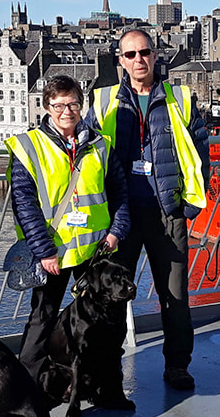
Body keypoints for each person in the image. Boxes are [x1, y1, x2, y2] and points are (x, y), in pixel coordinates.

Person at [85, 29, 210, 391]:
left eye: (144, 52)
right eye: (130, 54)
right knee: (109, 298)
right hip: (119, 218)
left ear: (155, 56)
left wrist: (187, 207)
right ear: (120, 60)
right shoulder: (103, 100)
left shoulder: (180, 98)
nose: (138, 60)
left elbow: (200, 149)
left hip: (165, 213)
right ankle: (107, 370)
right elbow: (84, 149)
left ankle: (177, 367)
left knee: (174, 296)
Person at [10, 74, 131, 399]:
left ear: (81, 105)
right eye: (59, 105)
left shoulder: (100, 145)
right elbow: (24, 203)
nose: (67, 111)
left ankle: (108, 389)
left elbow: (119, 192)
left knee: (109, 323)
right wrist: (44, 251)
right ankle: (25, 393)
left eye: (73, 104)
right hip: (53, 254)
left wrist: (117, 231)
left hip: (95, 251)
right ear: (47, 107)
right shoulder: (29, 146)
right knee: (42, 321)